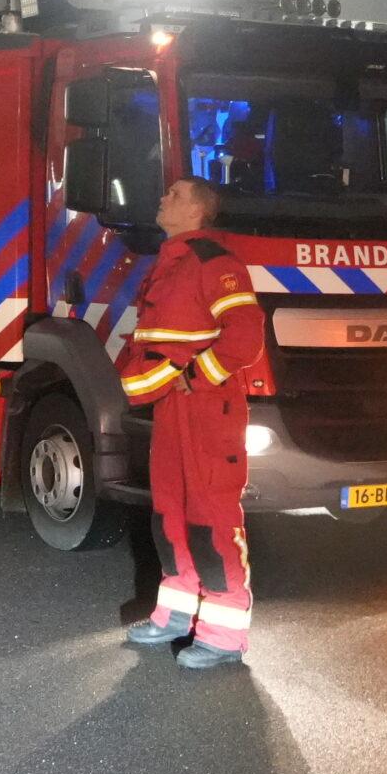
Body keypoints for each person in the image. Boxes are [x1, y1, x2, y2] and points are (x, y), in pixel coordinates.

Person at [119, 177, 269, 670]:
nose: (164, 198)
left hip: (208, 407)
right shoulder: (171, 261)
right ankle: (176, 614)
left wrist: (196, 376)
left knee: (211, 518)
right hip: (172, 407)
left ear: (198, 211)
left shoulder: (215, 262)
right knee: (169, 514)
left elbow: (245, 336)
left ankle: (224, 638)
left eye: (176, 195)